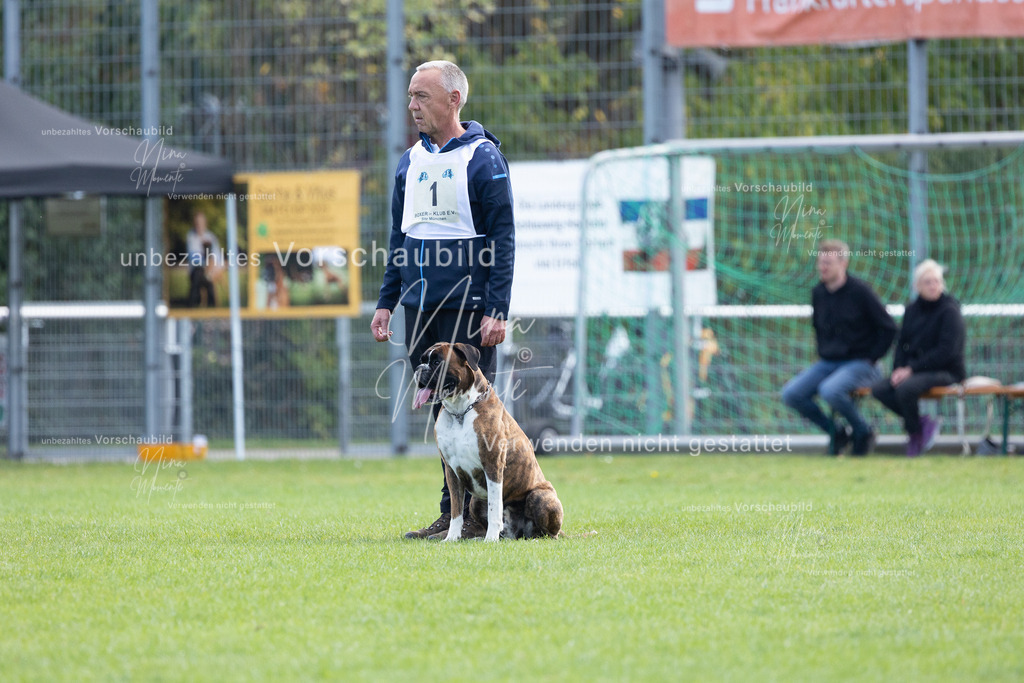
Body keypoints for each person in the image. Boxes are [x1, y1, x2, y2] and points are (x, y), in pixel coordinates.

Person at [370, 60, 515, 539]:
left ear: (454, 100)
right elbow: (399, 237)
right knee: (440, 408)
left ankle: (483, 516)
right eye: (411, 96)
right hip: (419, 307)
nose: (412, 105)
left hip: (468, 306)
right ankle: (452, 512)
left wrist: (497, 308)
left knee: (477, 412)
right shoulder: (409, 161)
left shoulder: (483, 158)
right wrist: (387, 301)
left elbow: (503, 238)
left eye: (422, 96)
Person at [782, 239, 897, 455]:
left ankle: (863, 432)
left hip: (861, 363)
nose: (822, 268)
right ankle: (837, 433)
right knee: (791, 394)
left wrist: (872, 358)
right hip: (829, 363)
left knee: (830, 390)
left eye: (828, 263)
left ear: (843, 264)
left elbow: (889, 328)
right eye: (820, 262)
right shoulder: (818, 293)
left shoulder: (860, 291)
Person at [871, 259, 966, 456]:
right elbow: (902, 345)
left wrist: (911, 369)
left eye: (936, 281)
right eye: (927, 282)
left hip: (946, 370)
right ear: (917, 286)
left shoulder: (950, 311)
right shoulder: (912, 310)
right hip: (915, 370)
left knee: (905, 389)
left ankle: (914, 435)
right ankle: (922, 423)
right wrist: (898, 369)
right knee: (879, 389)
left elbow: (946, 352)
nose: (933, 286)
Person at [185, 211, 221, 307]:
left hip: (211, 270)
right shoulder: (191, 237)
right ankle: (196, 303)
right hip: (197, 270)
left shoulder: (211, 237)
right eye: (197, 223)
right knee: (199, 274)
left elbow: (217, 256)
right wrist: (206, 264)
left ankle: (206, 304)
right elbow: (193, 257)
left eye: (201, 223)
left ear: (205, 223)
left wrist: (211, 265)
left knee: (207, 276)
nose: (199, 225)